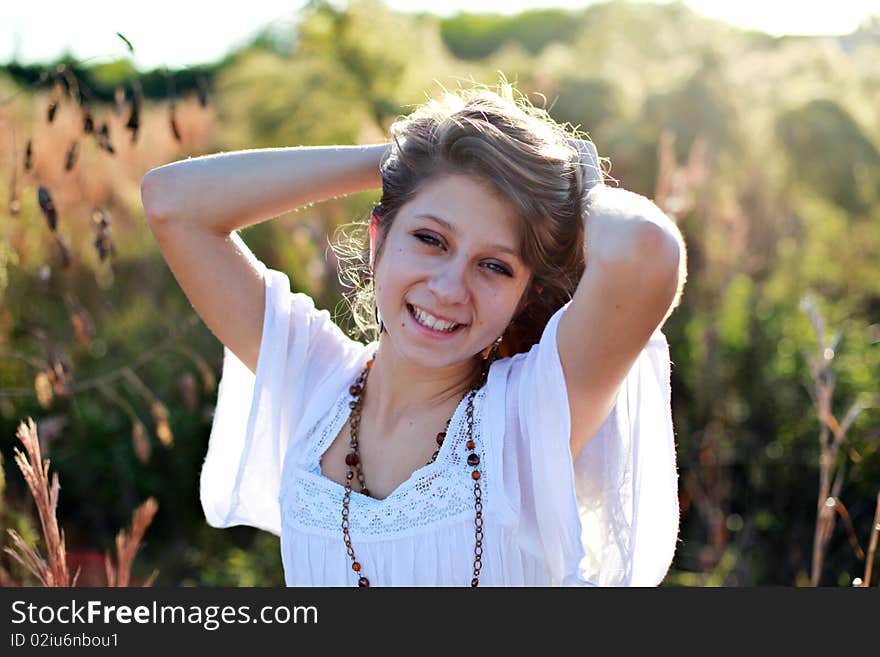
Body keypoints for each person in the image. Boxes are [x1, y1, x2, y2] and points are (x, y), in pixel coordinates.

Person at [141, 79, 686, 587]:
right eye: (430, 238)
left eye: (495, 266)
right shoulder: (316, 381)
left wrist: (577, 193)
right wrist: (404, 160)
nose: (450, 288)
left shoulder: (526, 414)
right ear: (379, 237)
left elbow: (647, 249)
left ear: (527, 294)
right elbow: (172, 202)